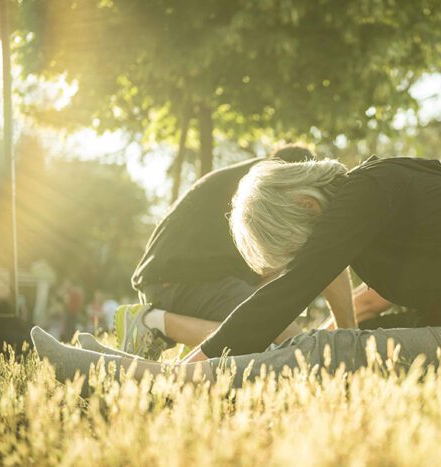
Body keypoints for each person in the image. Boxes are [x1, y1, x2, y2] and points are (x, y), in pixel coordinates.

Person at [32, 154, 441, 388]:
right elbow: (372, 296)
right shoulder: (381, 202)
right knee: (324, 343)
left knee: (321, 350)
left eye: (299, 245)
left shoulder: (369, 188)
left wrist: (196, 361)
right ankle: (135, 369)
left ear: (309, 207)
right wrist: (343, 334)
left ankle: (157, 382)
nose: (307, 256)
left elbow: (293, 289)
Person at [115, 145, 390, 360]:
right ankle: (152, 323)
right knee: (286, 344)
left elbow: (294, 273)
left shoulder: (253, 182)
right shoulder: (269, 191)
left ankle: (173, 330)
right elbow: (327, 258)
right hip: (179, 283)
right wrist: (349, 338)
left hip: (174, 280)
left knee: (273, 330)